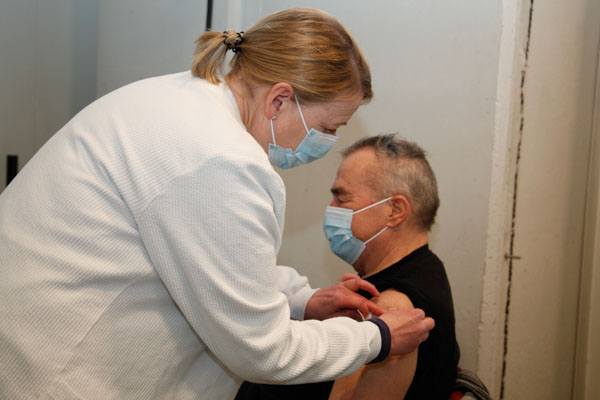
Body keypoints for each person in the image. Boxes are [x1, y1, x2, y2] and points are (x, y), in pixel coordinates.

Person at [0, 8, 434, 400]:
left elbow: (209, 258)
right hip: (56, 366)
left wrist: (301, 300)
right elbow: (263, 351)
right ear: (280, 99)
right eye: (328, 127)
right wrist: (376, 338)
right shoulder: (220, 158)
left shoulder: (181, 99)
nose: (327, 142)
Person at [236, 134, 460, 400]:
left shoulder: (391, 309)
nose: (331, 209)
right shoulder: (425, 268)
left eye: (342, 200)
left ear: (395, 211)